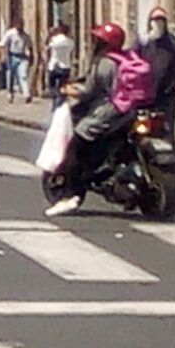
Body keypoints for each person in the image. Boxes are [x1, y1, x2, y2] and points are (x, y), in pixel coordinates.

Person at [46, 22, 135, 218]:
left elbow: (88, 91)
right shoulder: (125, 60)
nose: (95, 43)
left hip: (107, 113)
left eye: (98, 40)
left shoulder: (103, 63)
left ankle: (72, 194)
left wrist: (69, 90)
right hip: (129, 114)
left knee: (75, 147)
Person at [138, 8, 175, 145]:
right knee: (142, 129)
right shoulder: (143, 43)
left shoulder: (173, 44)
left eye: (161, 20)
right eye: (155, 20)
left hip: (166, 95)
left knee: (167, 131)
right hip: (145, 95)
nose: (158, 24)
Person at [1, 19, 33, 103]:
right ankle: (10, 94)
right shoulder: (10, 33)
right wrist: (4, 55)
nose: (20, 28)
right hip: (12, 56)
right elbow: (3, 44)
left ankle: (26, 95)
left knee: (23, 75)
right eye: (19, 26)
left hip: (22, 57)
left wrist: (30, 56)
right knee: (10, 76)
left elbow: (29, 46)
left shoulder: (25, 36)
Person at [46, 24, 76, 108]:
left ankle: (56, 100)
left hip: (54, 65)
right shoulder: (70, 41)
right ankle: (60, 103)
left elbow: (47, 48)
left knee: (52, 86)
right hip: (66, 65)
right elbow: (71, 51)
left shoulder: (54, 39)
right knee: (63, 87)